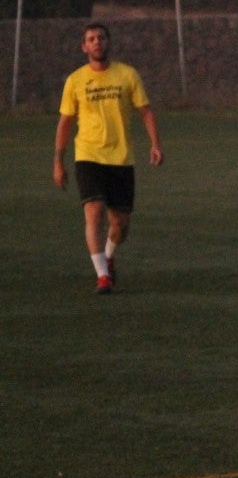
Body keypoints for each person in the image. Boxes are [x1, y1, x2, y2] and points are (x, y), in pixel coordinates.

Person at [53, 22, 164, 294]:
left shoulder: (127, 75)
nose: (97, 42)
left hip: (121, 158)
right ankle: (103, 276)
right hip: (88, 155)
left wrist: (155, 143)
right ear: (84, 47)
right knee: (94, 212)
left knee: (120, 225)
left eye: (101, 38)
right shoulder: (75, 80)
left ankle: (109, 256)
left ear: (108, 42)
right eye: (91, 39)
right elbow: (65, 122)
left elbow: (145, 111)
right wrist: (58, 160)